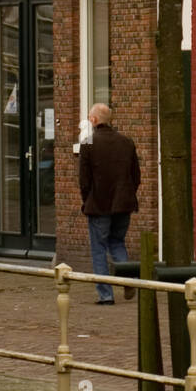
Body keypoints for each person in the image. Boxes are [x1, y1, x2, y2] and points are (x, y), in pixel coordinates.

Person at [79, 103, 141, 305]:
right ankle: (127, 279)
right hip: (123, 203)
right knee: (117, 242)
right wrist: (128, 194)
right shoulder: (126, 142)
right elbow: (136, 176)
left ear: (95, 120)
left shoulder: (88, 142)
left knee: (99, 248)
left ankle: (105, 295)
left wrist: (87, 200)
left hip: (99, 204)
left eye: (90, 117)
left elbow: (84, 180)